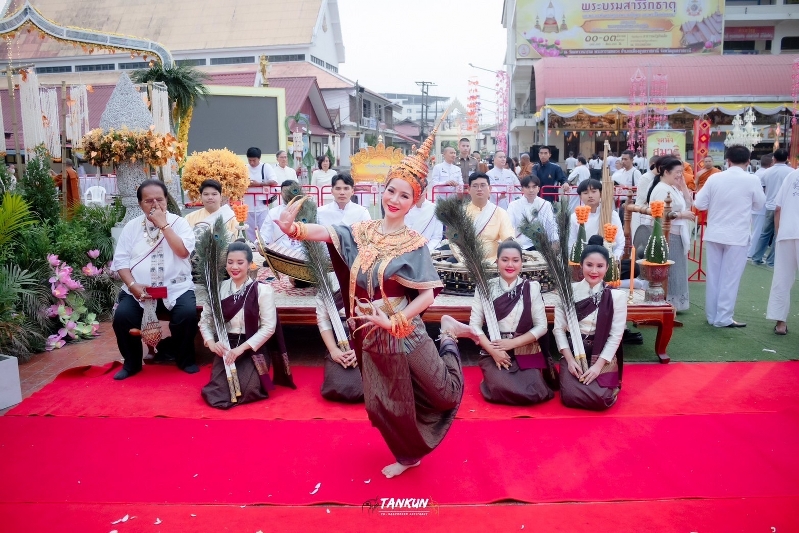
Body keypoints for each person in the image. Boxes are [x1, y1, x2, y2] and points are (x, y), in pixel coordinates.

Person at [273, 131, 464, 479]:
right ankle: (407, 455)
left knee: (443, 394)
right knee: (383, 401)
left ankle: (449, 337)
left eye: (404, 195)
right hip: (368, 331)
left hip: (403, 328)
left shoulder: (414, 243)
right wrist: (294, 229)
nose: (395, 199)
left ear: (414, 201)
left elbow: (426, 294)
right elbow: (329, 234)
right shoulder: (362, 231)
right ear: (382, 190)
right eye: (391, 190)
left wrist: (396, 321)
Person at [111, 180, 198, 380]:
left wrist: (164, 225)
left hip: (176, 288)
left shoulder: (179, 223)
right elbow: (121, 261)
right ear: (140, 204)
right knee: (122, 317)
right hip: (139, 290)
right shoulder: (131, 227)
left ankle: (185, 360)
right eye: (149, 201)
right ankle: (132, 364)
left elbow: (183, 252)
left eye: (159, 199)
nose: (155, 204)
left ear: (167, 200)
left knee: (187, 315)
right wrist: (132, 286)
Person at [200, 242, 293, 409]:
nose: (234, 267)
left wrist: (240, 349)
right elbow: (205, 321)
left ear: (250, 264)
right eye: (230, 262)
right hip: (227, 345)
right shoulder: (217, 289)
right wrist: (212, 343)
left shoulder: (263, 291)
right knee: (218, 392)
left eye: (240, 262)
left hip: (252, 346)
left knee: (248, 389)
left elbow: (268, 327)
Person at [464, 240, 553, 405]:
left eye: (515, 260)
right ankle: (491, 380)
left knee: (534, 393)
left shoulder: (532, 287)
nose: (510, 264)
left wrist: (512, 343)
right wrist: (494, 351)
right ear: (497, 262)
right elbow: (474, 326)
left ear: (521, 262)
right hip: (495, 349)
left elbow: (541, 327)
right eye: (505, 260)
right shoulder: (484, 287)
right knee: (500, 390)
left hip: (524, 348)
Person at [694, 145, 766, 328]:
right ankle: (723, 317)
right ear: (748, 161)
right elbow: (759, 206)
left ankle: (713, 316)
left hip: (715, 232)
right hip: (737, 235)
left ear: (728, 160)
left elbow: (700, 203)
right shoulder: (752, 179)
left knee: (714, 276)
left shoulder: (715, 178)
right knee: (730, 278)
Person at [554, 235, 626, 410]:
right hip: (574, 351)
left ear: (607, 267)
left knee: (601, 399)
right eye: (589, 265)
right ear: (581, 265)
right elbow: (558, 330)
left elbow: (616, 336)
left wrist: (598, 366)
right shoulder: (567, 291)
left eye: (600, 266)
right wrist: (570, 360)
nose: (594, 271)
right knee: (570, 397)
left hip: (600, 353)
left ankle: (606, 383)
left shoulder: (617, 296)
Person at [643, 156, 696, 311]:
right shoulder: (661, 189)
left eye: (682, 172)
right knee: (671, 270)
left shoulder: (672, 187)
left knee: (677, 269)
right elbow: (658, 214)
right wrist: (681, 215)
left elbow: (689, 203)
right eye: (678, 172)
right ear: (666, 172)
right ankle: (667, 301)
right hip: (668, 234)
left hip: (676, 232)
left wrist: (683, 186)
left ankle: (673, 302)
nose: (680, 175)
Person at [766, 167, 799, 335]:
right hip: (788, 232)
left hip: (788, 232)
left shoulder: (791, 176)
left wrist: (779, 233)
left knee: (782, 278)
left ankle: (780, 323)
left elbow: (777, 208)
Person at [315, 289, 364, 402]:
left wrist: (362, 350)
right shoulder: (329, 281)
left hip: (368, 338)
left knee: (362, 389)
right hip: (340, 337)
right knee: (338, 386)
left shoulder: (368, 278)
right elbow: (323, 320)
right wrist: (333, 350)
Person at [752, 148, 792, 267]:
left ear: (774, 159)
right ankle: (771, 261)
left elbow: (762, 188)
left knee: (765, 233)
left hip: (769, 205)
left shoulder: (767, 172)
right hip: (784, 206)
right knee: (778, 234)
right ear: (787, 159)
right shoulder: (791, 172)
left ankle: (757, 257)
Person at [568, 179, 624, 260]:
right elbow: (571, 244)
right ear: (580, 196)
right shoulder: (574, 217)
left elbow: (620, 243)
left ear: (601, 193)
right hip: (584, 260)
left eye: (594, 191)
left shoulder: (611, 214)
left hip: (607, 259)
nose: (590, 195)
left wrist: (613, 261)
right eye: (585, 193)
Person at [465, 172, 515, 260]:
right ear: (468, 189)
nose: (479, 189)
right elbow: (454, 241)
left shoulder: (500, 212)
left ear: (490, 188)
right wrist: (465, 260)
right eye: (475, 186)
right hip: (465, 260)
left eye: (483, 185)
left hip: (493, 260)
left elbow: (507, 239)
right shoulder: (461, 213)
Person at [508, 176, 557, 251]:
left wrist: (555, 242)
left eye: (534, 187)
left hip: (541, 245)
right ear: (522, 189)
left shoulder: (545, 204)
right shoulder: (513, 205)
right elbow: (509, 226)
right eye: (528, 187)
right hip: (520, 245)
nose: (531, 190)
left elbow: (551, 225)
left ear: (538, 189)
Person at [245, 147, 278, 241]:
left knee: (264, 228)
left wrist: (259, 184)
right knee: (249, 229)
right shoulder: (244, 167)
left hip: (262, 204)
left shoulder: (265, 167)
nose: (252, 163)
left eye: (254, 160)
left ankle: (265, 247)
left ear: (259, 158)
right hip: (247, 204)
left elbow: (274, 181)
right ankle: (253, 247)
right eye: (249, 160)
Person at [748, 154, 773, 259]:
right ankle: (750, 252)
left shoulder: (758, 173)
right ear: (771, 163)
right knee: (757, 231)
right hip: (761, 206)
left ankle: (754, 251)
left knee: (756, 231)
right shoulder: (765, 174)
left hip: (757, 206)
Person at [405, 187, 444, 251]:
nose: (419, 193)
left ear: (426, 190)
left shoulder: (435, 209)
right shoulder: (407, 210)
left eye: (422, 189)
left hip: (431, 250)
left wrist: (425, 250)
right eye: (416, 190)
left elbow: (437, 237)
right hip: (410, 250)